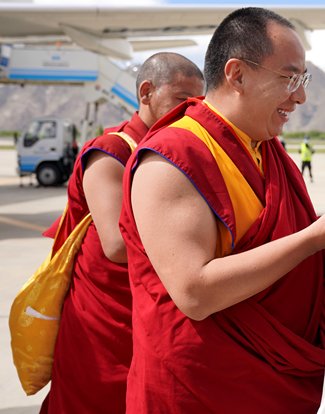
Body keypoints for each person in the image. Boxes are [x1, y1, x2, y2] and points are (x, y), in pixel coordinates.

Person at [118, 7, 325, 413]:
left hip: (277, 376)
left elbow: (276, 236)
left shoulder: (265, 148)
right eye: (289, 78)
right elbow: (194, 292)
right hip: (203, 387)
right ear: (237, 74)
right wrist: (314, 238)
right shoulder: (172, 157)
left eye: (303, 80)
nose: (300, 96)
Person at [39, 53, 205, 414]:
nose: (190, 111)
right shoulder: (111, 152)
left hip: (148, 309)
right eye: (182, 99)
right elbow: (115, 244)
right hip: (103, 323)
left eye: (197, 103)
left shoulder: (173, 151)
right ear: (146, 92)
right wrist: (196, 253)